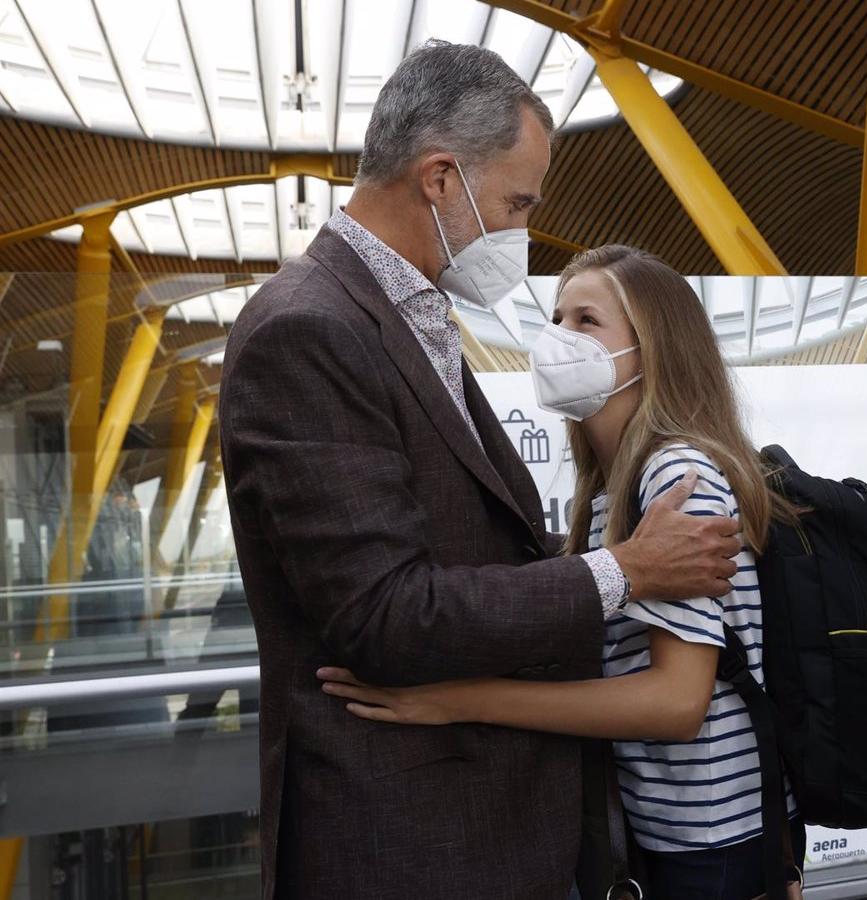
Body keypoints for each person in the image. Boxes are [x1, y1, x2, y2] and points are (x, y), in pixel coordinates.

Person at [219, 46, 740, 900]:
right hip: (411, 838)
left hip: (477, 823)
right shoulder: (309, 329)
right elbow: (386, 613)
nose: (520, 229)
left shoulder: (406, 313)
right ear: (439, 179)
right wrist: (624, 570)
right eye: (517, 200)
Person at [316, 245, 806, 900]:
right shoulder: (612, 487)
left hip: (713, 837)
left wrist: (459, 699)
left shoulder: (674, 474)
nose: (558, 339)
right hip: (667, 827)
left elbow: (677, 701)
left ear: (653, 349)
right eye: (556, 318)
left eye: (586, 320)